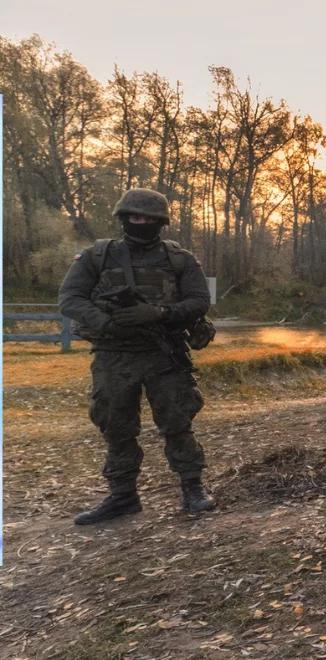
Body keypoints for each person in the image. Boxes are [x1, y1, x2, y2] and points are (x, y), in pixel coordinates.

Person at [59, 187, 215, 525]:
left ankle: (193, 488)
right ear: (123, 218)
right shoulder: (98, 256)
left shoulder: (180, 260)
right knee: (116, 427)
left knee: (177, 423)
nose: (139, 222)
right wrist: (105, 322)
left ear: (160, 222)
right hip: (114, 356)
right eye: (133, 216)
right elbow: (70, 298)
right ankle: (122, 496)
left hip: (164, 354)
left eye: (147, 218)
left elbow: (199, 302)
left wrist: (158, 313)